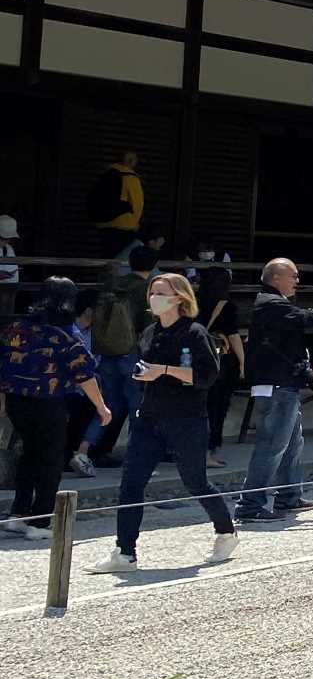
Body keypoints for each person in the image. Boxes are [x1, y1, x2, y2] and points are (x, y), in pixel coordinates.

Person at [89, 271, 238, 573]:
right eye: (152, 292)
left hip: (187, 419)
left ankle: (226, 531)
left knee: (195, 481)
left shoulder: (196, 333)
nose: (154, 298)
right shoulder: (149, 332)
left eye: (161, 292)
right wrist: (143, 373)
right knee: (131, 483)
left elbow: (207, 376)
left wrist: (164, 370)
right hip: (149, 417)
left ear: (179, 297)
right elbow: (144, 366)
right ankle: (125, 552)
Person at [237, 262, 313, 522]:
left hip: (285, 384)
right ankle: (250, 504)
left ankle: (289, 496)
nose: (297, 280)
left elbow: (312, 321)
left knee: (292, 444)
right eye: (293, 276)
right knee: (272, 445)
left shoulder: (275, 303)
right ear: (276, 278)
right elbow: (310, 320)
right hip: (276, 385)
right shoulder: (270, 303)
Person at [1, 277, 111, 543]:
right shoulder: (65, 333)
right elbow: (85, 374)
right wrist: (101, 406)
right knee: (51, 461)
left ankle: (18, 514)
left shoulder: (16, 327)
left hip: (17, 401)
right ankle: (40, 520)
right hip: (49, 402)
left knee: (29, 453)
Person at [72, 244, 153, 471]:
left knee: (108, 405)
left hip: (106, 352)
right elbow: (149, 326)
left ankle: (82, 451)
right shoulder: (145, 289)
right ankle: (136, 460)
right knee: (138, 408)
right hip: (133, 354)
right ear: (153, 265)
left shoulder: (111, 285)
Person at [196, 262, 245, 460]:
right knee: (217, 407)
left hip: (196, 359)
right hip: (220, 360)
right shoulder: (226, 306)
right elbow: (233, 336)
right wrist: (242, 361)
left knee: (198, 406)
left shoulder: (194, 302)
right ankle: (209, 451)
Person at [86, 149, 144, 255]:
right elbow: (137, 205)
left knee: (106, 258)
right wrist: (135, 224)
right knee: (120, 261)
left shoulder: (106, 174)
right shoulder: (129, 177)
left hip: (103, 225)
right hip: (123, 226)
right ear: (130, 161)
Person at [0, 213, 19, 320]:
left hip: (10, 291)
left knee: (7, 319)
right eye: (4, 238)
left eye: (8, 238)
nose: (6, 240)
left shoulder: (9, 249)